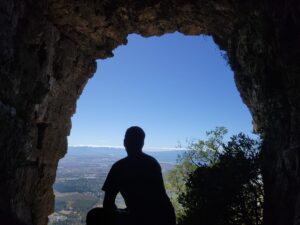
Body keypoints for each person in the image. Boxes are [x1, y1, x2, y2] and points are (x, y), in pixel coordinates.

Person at [101, 126, 176, 225]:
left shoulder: (119, 167)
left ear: (125, 142)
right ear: (142, 143)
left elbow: (108, 204)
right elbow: (160, 196)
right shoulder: (152, 163)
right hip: (163, 216)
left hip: (138, 218)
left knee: (94, 215)